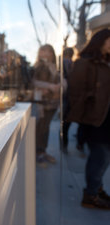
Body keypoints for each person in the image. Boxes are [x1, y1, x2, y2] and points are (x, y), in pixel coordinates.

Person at [67, 28, 110, 209]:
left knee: (105, 157)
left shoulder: (106, 62)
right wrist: (90, 103)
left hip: (107, 116)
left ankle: (97, 188)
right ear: (101, 41)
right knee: (100, 156)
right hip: (95, 118)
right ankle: (90, 194)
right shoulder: (85, 63)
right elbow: (75, 92)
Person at [33, 44, 61, 166]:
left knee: (46, 127)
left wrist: (59, 86)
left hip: (53, 102)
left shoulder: (56, 66)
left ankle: (42, 151)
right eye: (42, 51)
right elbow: (33, 81)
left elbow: (62, 81)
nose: (44, 54)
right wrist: (48, 86)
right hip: (41, 102)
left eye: (47, 51)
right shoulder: (37, 66)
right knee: (40, 128)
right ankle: (37, 152)